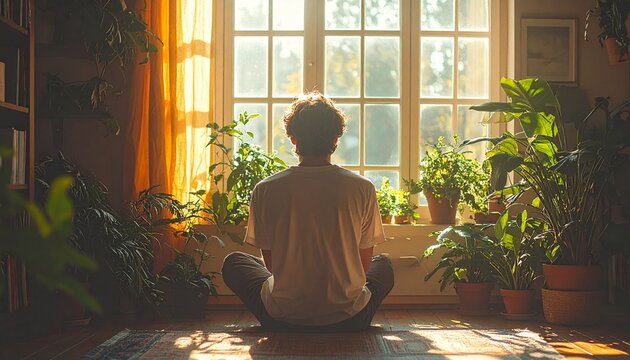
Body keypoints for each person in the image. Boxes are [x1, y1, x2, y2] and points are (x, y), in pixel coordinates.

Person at [221, 92, 394, 332]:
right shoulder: (362, 188)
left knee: (235, 262)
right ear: (336, 138)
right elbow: (364, 267)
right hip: (349, 318)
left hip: (283, 317)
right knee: (382, 265)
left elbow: (271, 266)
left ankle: (289, 318)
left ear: (293, 139)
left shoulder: (266, 189)